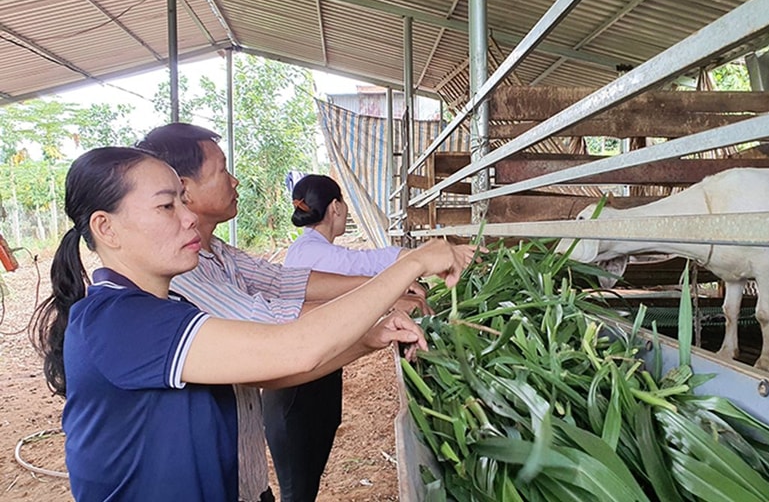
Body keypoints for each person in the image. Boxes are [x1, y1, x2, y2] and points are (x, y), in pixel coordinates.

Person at [29, 147, 472, 501]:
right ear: (106, 228)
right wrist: (410, 263)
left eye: (183, 200)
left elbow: (272, 372)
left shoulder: (169, 306)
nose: (188, 217)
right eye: (167, 206)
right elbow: (293, 347)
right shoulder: (121, 321)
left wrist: (369, 338)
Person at [134, 123, 427, 502]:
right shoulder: (178, 278)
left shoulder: (219, 254)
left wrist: (381, 307)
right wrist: (393, 285)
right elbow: (276, 326)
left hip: (246, 471)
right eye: (223, 170)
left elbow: (284, 282)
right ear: (184, 190)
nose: (235, 180)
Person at [264, 174, 423, 501]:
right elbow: (365, 265)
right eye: (344, 203)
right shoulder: (313, 253)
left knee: (306, 480)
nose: (347, 211)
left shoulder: (313, 248)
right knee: (298, 488)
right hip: (298, 388)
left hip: (317, 374)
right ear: (335, 207)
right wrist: (418, 258)